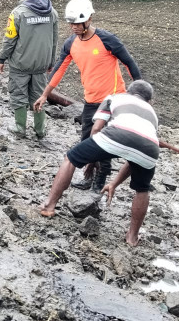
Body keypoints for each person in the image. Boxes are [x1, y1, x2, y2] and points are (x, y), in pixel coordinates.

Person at [33, 0, 142, 191]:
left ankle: (99, 181)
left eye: (77, 23)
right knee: (87, 141)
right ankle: (89, 177)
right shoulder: (70, 44)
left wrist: (140, 94)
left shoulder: (107, 39)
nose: (73, 27)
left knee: (104, 141)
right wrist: (44, 94)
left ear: (89, 19)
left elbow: (129, 63)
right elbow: (58, 70)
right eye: (71, 23)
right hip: (91, 100)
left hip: (113, 99)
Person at [40, 81, 161, 246]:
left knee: (71, 158)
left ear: (128, 92)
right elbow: (134, 157)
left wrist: (92, 157)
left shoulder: (114, 98)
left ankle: (49, 206)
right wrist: (115, 183)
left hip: (116, 136)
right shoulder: (152, 114)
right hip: (150, 149)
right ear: (150, 101)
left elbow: (96, 128)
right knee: (142, 189)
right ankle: (132, 237)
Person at [0, 0, 58, 138]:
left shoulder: (18, 13)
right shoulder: (52, 13)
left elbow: (9, 40)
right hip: (41, 65)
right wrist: (51, 61)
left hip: (20, 64)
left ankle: (20, 127)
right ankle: (40, 130)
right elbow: (54, 40)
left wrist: (1, 59)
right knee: (39, 95)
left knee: (18, 95)